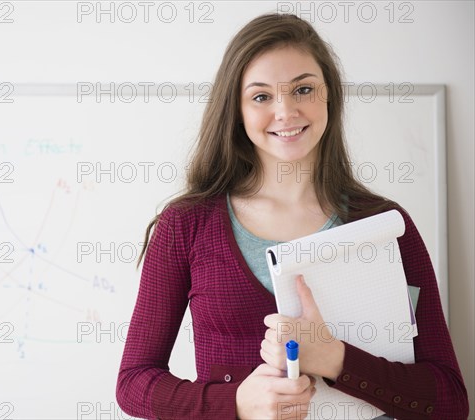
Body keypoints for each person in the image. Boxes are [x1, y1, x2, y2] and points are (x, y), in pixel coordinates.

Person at [115, 12, 469, 420]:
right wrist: (234, 404)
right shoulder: (187, 225)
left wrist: (336, 359)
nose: (285, 112)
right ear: (237, 111)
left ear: (329, 96)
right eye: (262, 96)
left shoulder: (386, 227)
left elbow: (448, 401)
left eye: (303, 89)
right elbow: (134, 383)